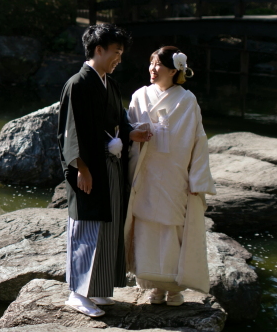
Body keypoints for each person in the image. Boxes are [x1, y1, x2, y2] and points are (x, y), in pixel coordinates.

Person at [57, 24, 151, 317]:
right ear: (98, 50)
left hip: (111, 165)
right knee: (86, 227)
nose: (119, 59)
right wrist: (81, 168)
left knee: (108, 228)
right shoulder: (77, 84)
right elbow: (70, 132)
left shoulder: (110, 84)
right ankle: (77, 293)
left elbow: (118, 122)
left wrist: (130, 133)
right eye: (116, 52)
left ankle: (97, 288)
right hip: (88, 167)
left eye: (121, 53)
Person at [125, 46, 216, 306]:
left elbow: (199, 140)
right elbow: (127, 129)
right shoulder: (140, 96)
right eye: (151, 63)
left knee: (173, 229)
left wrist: (197, 179)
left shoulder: (187, 100)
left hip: (175, 176)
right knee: (146, 227)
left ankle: (174, 288)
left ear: (174, 71)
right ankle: (153, 286)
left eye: (159, 65)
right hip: (146, 173)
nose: (153, 69)